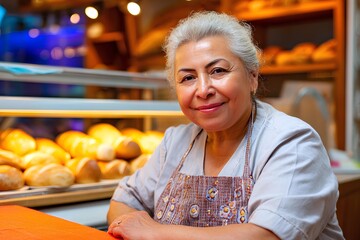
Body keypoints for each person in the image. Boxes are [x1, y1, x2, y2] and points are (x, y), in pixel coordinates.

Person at [107, 11, 344, 239]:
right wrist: (128, 225)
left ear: (252, 76)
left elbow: (266, 236)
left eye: (218, 71)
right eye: (188, 77)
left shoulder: (291, 143)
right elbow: (125, 200)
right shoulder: (175, 142)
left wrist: (154, 232)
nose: (203, 90)